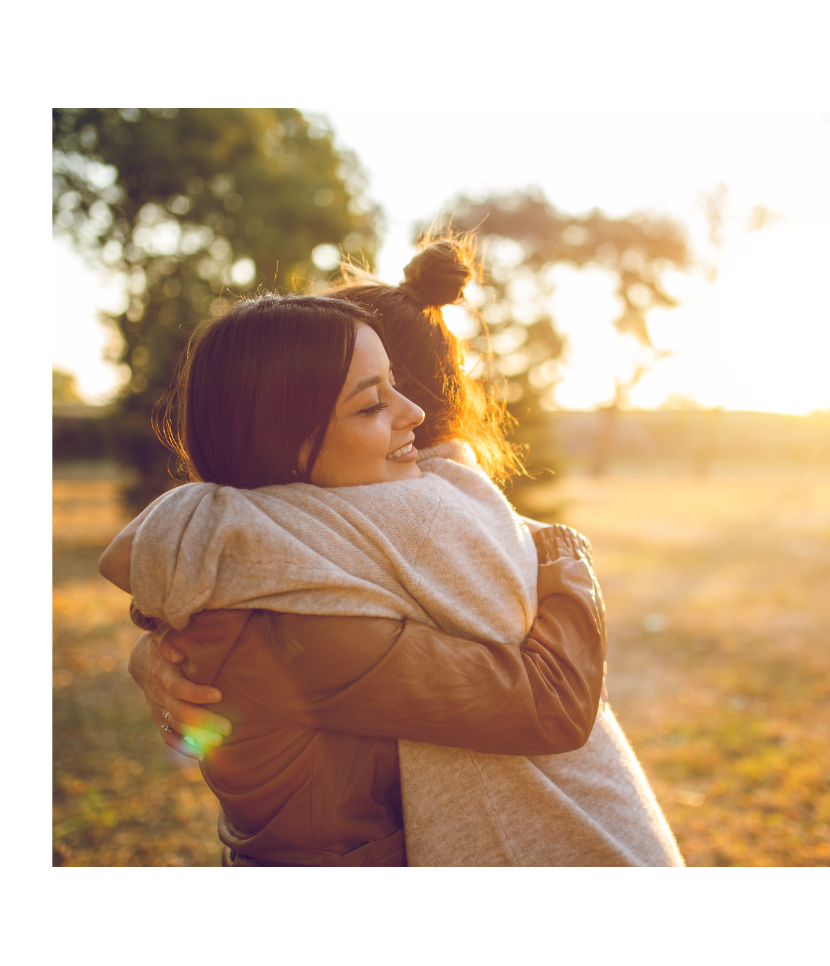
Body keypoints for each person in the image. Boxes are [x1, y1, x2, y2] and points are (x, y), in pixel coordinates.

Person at [116, 238, 682, 866]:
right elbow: (549, 703)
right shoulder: (296, 617)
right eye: (371, 401)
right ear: (281, 435)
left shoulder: (259, 554)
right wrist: (558, 552)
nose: (408, 414)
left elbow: (163, 550)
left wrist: (151, 651)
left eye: (396, 387)